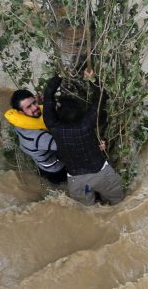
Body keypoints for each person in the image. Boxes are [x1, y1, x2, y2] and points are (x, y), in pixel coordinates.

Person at [42, 70, 124, 206]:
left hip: (79, 182)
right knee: (118, 204)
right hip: (102, 174)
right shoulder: (86, 124)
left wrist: (59, 76)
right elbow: (101, 98)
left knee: (87, 212)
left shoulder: (54, 128)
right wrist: (92, 79)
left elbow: (48, 96)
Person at [5, 89, 67, 185]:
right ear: (20, 113)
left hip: (41, 163)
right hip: (55, 170)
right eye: (29, 107)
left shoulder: (19, 124)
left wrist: (43, 102)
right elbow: (68, 145)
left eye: (34, 102)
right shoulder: (38, 137)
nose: (35, 107)